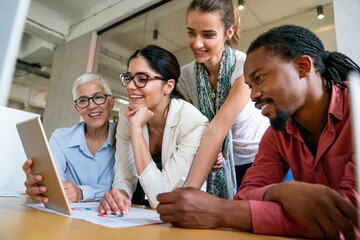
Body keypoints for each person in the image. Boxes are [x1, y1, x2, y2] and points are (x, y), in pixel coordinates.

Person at [157, 25, 360, 239]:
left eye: (260, 78)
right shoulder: (277, 133)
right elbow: (245, 196)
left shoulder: (356, 109)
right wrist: (279, 191)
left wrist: (221, 212)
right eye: (249, 85)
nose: (253, 96)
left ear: (303, 66)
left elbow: (350, 219)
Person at [98, 45, 208, 216]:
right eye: (129, 77)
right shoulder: (126, 114)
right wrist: (120, 194)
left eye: (142, 79)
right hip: (146, 212)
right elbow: (124, 175)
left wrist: (136, 129)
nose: (130, 86)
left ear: (168, 86)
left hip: (186, 215)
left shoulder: (192, 122)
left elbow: (161, 198)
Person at [178, 0, 269, 198]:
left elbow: (216, 130)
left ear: (229, 32)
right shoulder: (185, 77)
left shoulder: (244, 65)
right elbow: (196, 128)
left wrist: (188, 194)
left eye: (208, 34)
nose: (197, 43)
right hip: (213, 162)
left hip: (255, 161)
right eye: (191, 32)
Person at [22, 73, 116, 203]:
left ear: (111, 102)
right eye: (83, 100)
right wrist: (41, 187)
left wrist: (81, 193)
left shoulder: (125, 140)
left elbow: (120, 187)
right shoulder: (60, 139)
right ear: (77, 108)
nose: (92, 106)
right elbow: (55, 186)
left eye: (98, 97)